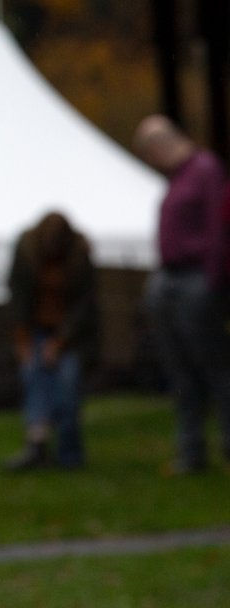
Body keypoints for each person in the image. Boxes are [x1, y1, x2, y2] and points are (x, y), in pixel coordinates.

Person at [133, 115, 230, 474]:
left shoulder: (205, 169)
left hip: (197, 280)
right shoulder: (176, 179)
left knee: (214, 366)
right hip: (170, 279)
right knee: (180, 372)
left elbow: (219, 227)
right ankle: (191, 453)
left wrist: (213, 280)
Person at [4, 211, 97, 471]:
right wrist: (22, 339)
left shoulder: (79, 257)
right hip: (35, 330)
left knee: (66, 391)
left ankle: (69, 454)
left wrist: (61, 341)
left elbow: (84, 307)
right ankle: (36, 446)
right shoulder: (27, 253)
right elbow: (18, 297)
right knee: (35, 386)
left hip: (68, 335)